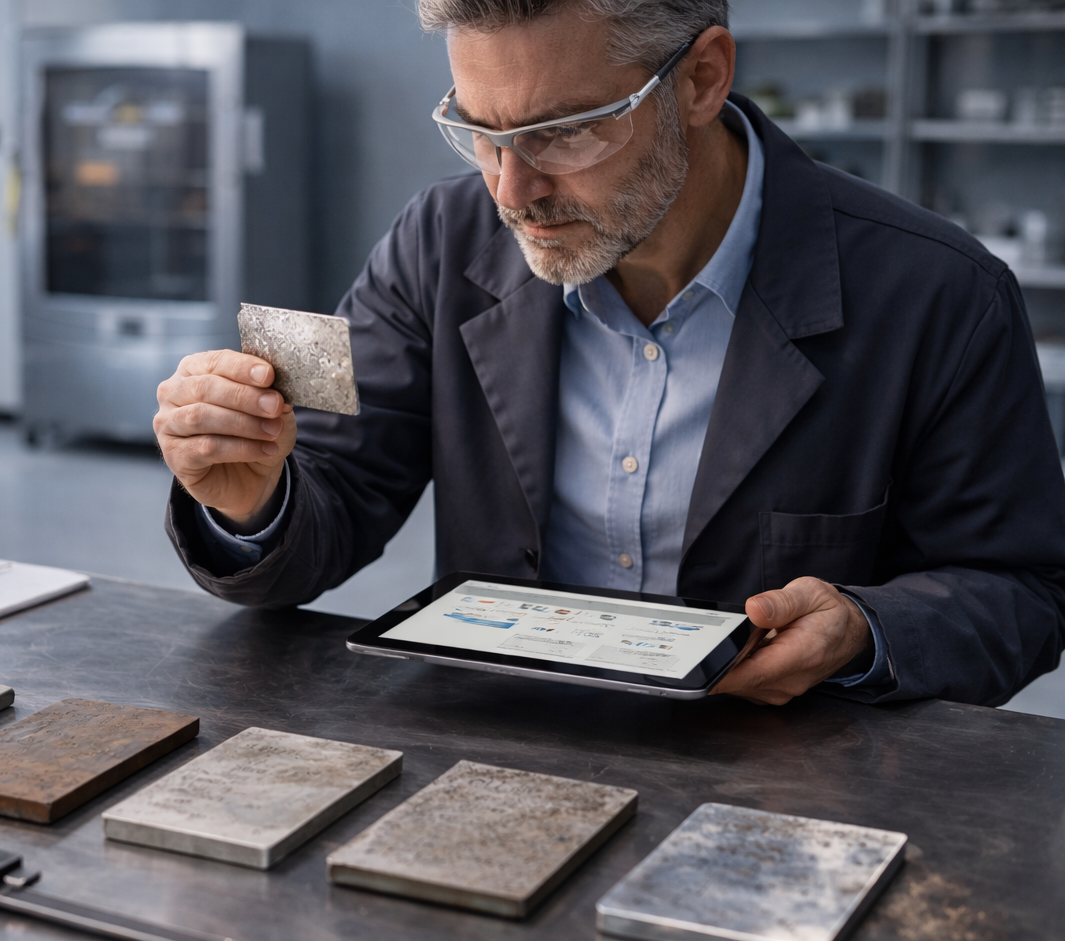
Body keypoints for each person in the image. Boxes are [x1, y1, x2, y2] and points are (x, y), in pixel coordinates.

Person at [152, 0, 1065, 707]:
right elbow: (339, 491)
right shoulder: (442, 242)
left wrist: (865, 630)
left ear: (702, 78)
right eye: (479, 129)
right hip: (500, 752)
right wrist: (254, 502)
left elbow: (1022, 591)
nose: (514, 191)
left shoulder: (935, 291)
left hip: (781, 780)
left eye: (561, 131)